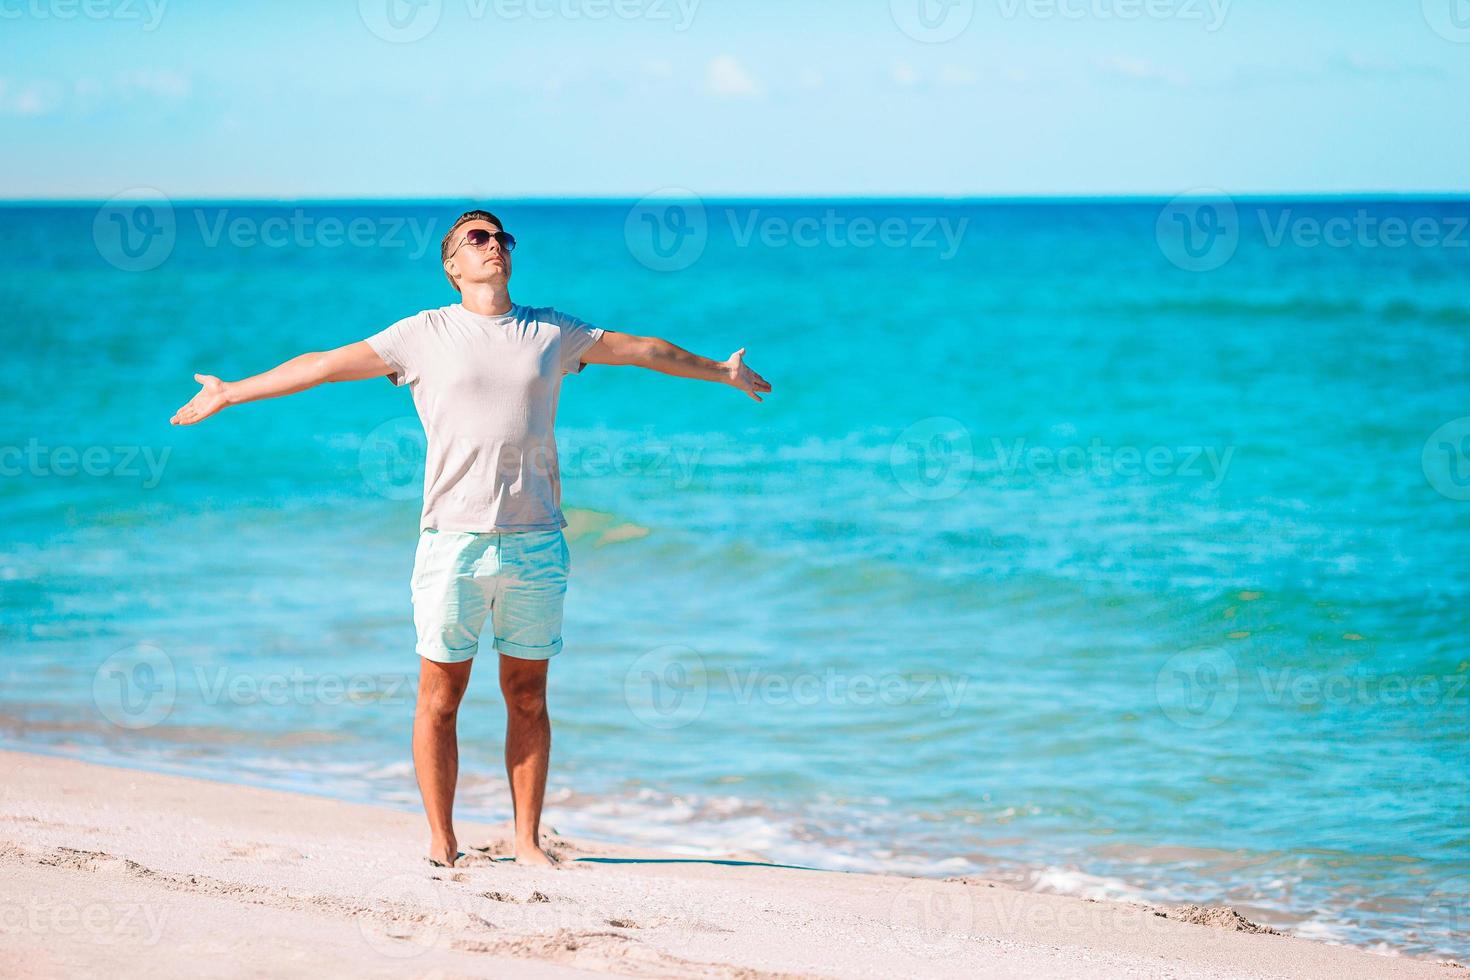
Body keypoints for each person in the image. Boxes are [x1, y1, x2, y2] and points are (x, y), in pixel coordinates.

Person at [170, 208, 772, 867]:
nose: (495, 247)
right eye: (477, 239)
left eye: (502, 238)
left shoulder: (552, 330)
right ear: (452, 265)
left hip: (536, 541)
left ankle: (526, 842)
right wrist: (230, 393)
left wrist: (720, 370)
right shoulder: (421, 334)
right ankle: (442, 840)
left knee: (527, 696)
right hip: (451, 542)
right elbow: (322, 365)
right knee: (440, 697)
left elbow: (641, 350)